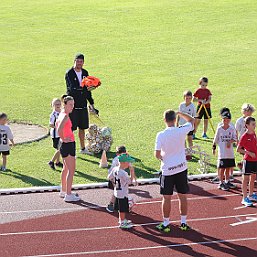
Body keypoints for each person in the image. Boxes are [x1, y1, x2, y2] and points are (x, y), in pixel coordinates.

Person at [155, 110, 195, 232]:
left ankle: (166, 224)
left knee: (166, 198)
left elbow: (157, 154)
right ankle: (183, 223)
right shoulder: (181, 130)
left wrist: (164, 158)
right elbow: (192, 120)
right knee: (182, 196)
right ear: (175, 119)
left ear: (164, 120)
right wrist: (180, 113)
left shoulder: (161, 135)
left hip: (168, 170)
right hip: (181, 168)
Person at [65, 53, 98, 154]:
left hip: (83, 105)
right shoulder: (69, 73)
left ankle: (83, 149)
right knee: (70, 129)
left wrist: (92, 104)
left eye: (81, 61)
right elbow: (72, 89)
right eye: (77, 61)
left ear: (83, 62)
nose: (79, 63)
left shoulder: (85, 72)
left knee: (82, 128)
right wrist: (84, 88)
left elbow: (88, 91)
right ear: (74, 61)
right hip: (72, 105)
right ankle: (69, 150)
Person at [56, 96, 80, 202]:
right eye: (70, 104)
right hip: (68, 144)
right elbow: (59, 129)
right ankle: (68, 195)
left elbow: (58, 127)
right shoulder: (65, 116)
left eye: (73, 104)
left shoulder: (61, 114)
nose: (72, 106)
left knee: (65, 168)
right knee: (71, 170)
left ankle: (64, 190)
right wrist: (64, 138)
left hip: (64, 144)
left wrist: (62, 139)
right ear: (65, 104)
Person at [106, 145, 137, 213]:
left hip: (117, 176)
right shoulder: (116, 161)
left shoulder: (123, 159)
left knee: (118, 191)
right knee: (117, 191)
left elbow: (131, 168)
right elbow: (129, 179)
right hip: (115, 177)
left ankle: (116, 206)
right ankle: (112, 205)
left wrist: (135, 179)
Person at [108, 153, 135, 229]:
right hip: (123, 193)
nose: (129, 164)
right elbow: (130, 182)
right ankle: (122, 222)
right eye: (128, 162)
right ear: (123, 163)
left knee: (120, 208)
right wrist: (132, 172)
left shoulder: (115, 169)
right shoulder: (124, 173)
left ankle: (122, 220)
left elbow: (109, 177)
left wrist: (114, 183)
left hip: (117, 192)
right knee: (122, 209)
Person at [212, 108, 237, 191]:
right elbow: (215, 139)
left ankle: (227, 181)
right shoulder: (219, 129)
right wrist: (214, 148)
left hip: (230, 153)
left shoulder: (231, 129)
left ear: (229, 120)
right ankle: (221, 182)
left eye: (227, 119)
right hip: (222, 153)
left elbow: (235, 138)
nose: (225, 121)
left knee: (228, 168)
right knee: (222, 168)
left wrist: (230, 141)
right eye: (224, 119)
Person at [237, 116, 257, 207]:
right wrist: (248, 153)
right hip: (248, 160)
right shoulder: (244, 136)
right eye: (253, 124)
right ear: (247, 125)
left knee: (253, 178)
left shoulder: (254, 133)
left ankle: (251, 195)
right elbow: (238, 149)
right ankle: (244, 198)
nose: (255, 125)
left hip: (255, 160)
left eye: (255, 124)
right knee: (245, 180)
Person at [176, 90, 196, 160]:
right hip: (182, 125)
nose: (187, 100)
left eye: (189, 98)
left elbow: (194, 117)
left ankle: (190, 153)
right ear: (184, 98)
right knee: (182, 139)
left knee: (189, 139)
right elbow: (179, 114)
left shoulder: (192, 106)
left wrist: (195, 127)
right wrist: (177, 123)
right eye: (186, 98)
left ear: (191, 98)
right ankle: (185, 152)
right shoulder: (181, 105)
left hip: (189, 126)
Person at [235, 104, 255, 170]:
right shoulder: (239, 121)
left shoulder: (251, 120)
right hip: (242, 140)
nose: (250, 114)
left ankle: (242, 165)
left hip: (250, 139)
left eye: (251, 112)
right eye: (249, 112)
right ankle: (243, 166)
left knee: (249, 154)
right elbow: (236, 131)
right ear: (245, 111)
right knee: (246, 154)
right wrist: (237, 140)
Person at [48, 98, 63, 170]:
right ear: (53, 105)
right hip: (55, 134)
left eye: (59, 104)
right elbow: (51, 124)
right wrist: (58, 127)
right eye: (56, 104)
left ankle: (57, 162)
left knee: (59, 148)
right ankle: (51, 161)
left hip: (61, 133)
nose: (58, 105)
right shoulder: (53, 114)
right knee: (59, 148)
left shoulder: (62, 112)